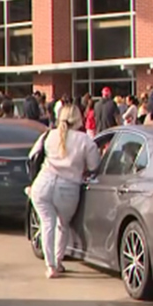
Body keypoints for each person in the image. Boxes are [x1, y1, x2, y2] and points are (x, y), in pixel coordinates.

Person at [28, 104, 100, 279]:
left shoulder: (48, 135)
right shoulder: (84, 140)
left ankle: (50, 266)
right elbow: (94, 165)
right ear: (78, 118)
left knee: (47, 224)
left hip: (43, 183)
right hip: (68, 187)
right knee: (62, 225)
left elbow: (32, 156)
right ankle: (58, 262)